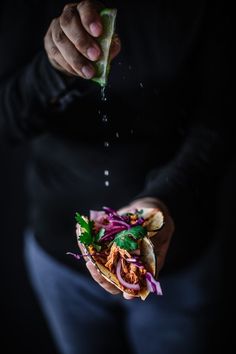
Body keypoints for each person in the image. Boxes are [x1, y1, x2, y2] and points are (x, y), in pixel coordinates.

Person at [0, 1, 232, 353]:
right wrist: (51, 71)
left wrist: (164, 198)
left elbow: (220, 119)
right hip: (58, 259)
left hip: (180, 258)